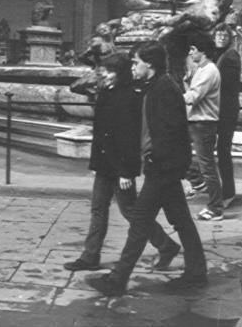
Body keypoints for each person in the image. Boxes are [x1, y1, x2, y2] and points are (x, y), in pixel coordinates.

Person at [86, 42, 207, 296]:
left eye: (136, 61)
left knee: (139, 222)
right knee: (182, 221)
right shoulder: (157, 87)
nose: (133, 66)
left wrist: (166, 166)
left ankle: (118, 280)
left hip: (162, 168)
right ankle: (196, 272)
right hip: (164, 167)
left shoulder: (164, 89)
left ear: (149, 64)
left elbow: (173, 133)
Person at [64, 53, 180, 272]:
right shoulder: (107, 92)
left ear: (120, 74)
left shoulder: (130, 97)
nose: (104, 75)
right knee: (98, 208)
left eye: (109, 72)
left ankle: (166, 246)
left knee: (131, 211)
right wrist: (97, 163)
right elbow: (102, 132)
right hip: (105, 164)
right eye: (104, 71)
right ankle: (90, 256)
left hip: (120, 167)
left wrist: (127, 172)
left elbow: (129, 137)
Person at [183, 33, 223, 221]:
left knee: (207, 166)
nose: (190, 52)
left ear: (202, 51)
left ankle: (215, 208)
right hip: (195, 121)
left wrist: (170, 96)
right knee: (178, 152)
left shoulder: (209, 71)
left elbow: (193, 96)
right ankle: (198, 183)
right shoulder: (201, 69)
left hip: (204, 123)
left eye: (193, 49)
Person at [213, 24, 240, 208]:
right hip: (218, 108)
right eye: (218, 34)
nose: (221, 37)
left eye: (224, 35)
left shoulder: (231, 55)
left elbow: (226, 83)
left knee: (223, 151)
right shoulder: (218, 54)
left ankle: (228, 192)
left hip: (226, 110)